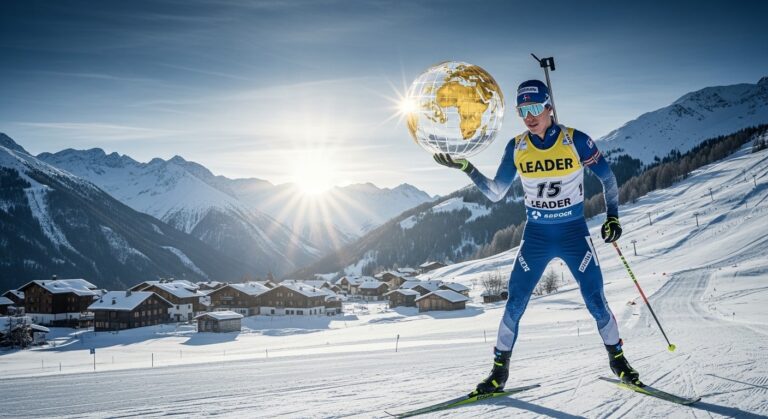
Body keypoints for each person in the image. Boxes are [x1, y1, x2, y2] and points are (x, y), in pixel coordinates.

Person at [433, 79, 641, 395]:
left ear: (548, 107)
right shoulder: (517, 146)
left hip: (573, 233)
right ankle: (498, 374)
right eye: (522, 111)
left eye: (534, 108)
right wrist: (467, 167)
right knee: (515, 301)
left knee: (596, 299)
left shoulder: (576, 141)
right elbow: (496, 192)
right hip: (537, 237)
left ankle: (619, 362)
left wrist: (613, 216)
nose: (529, 117)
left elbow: (609, 180)